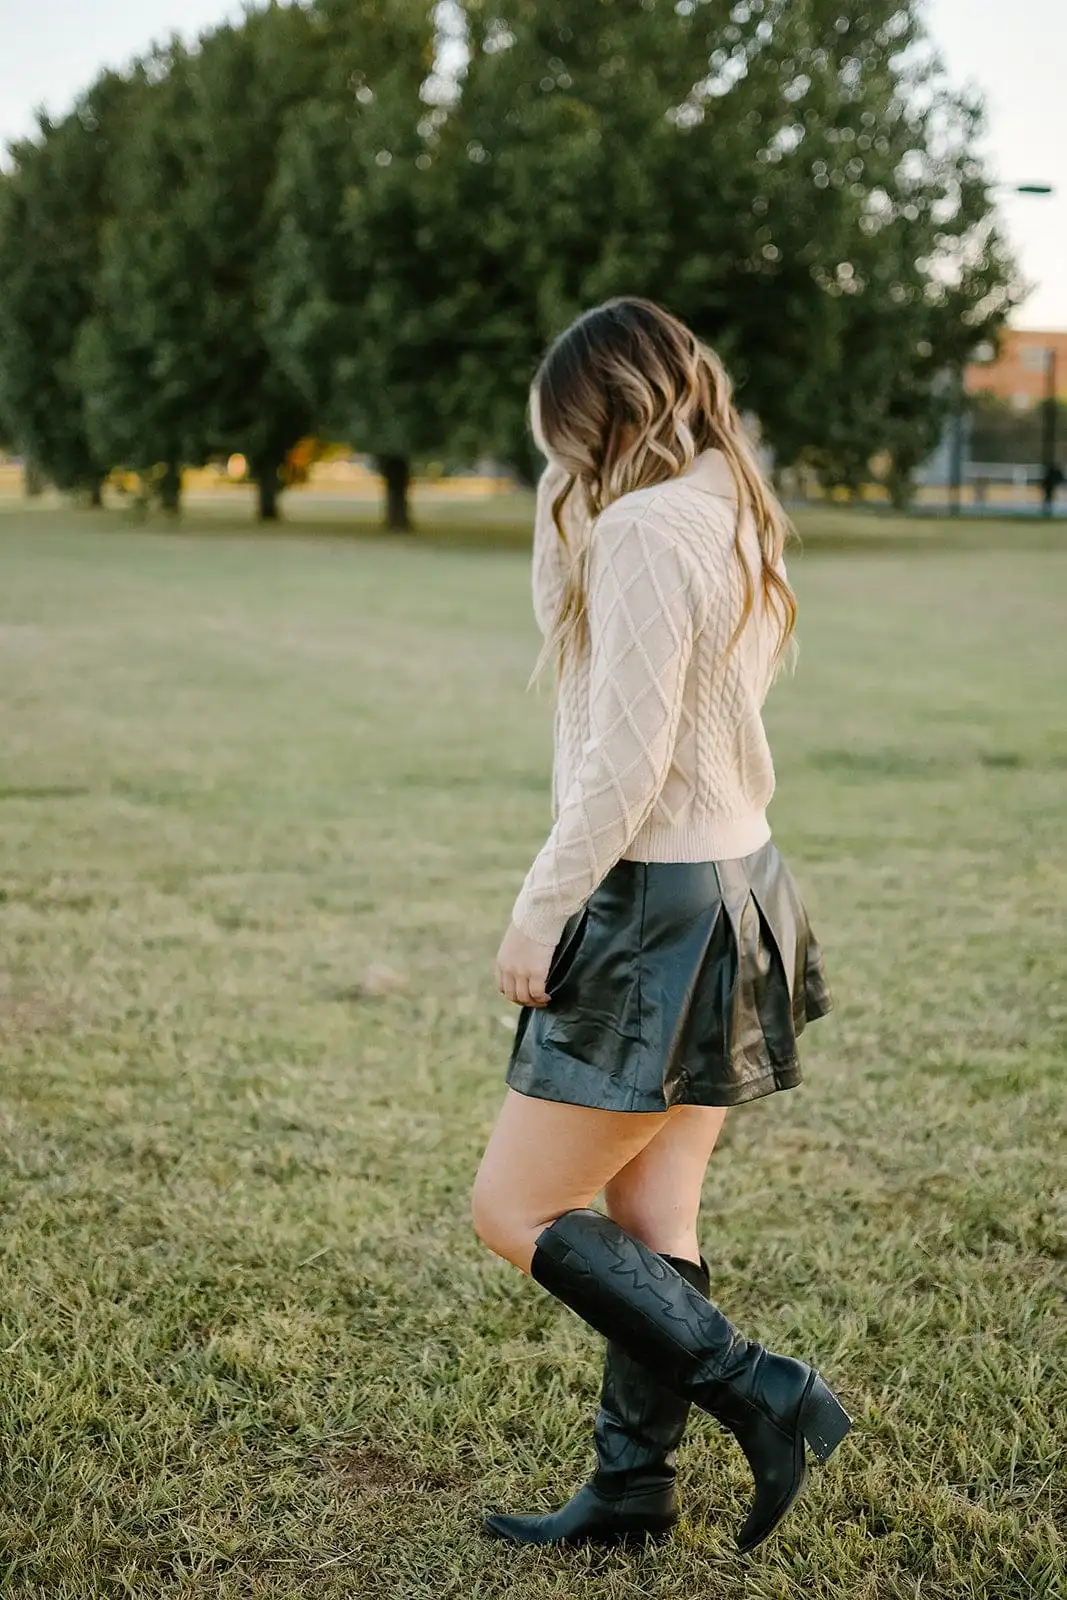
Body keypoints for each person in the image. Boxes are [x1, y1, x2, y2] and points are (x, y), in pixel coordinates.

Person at [471, 297, 851, 1554]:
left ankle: (764, 1390)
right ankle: (631, 1495)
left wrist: (539, 909)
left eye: (559, 436)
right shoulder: (723, 505)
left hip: (649, 903)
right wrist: (564, 487)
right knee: (652, 1219)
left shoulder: (641, 528)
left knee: (513, 1212)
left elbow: (621, 765)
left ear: (600, 415)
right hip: (734, 884)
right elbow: (565, 635)